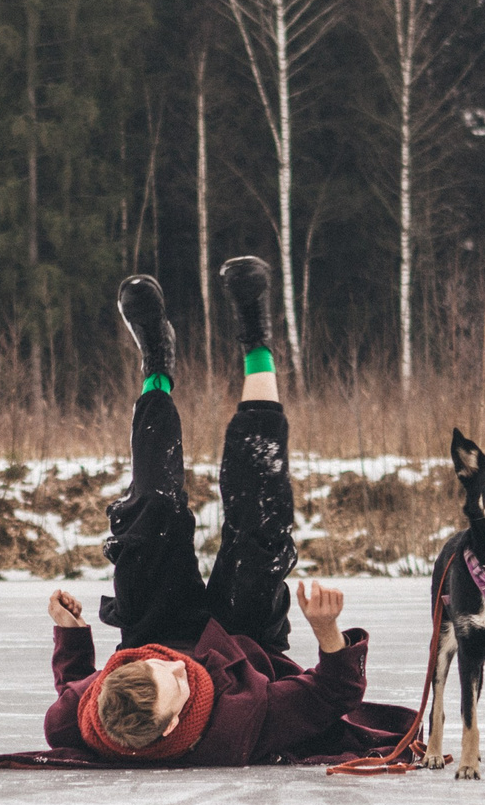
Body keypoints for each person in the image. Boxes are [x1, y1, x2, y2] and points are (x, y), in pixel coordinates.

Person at [41, 257, 379, 765]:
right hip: (244, 641)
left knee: (152, 507)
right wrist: (327, 630)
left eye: (156, 667)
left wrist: (70, 633)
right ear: (174, 724)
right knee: (259, 521)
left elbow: (75, 685)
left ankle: (156, 365)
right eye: (177, 681)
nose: (178, 664)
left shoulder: (75, 719)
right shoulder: (240, 725)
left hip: (153, 624)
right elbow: (332, 695)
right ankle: (257, 341)